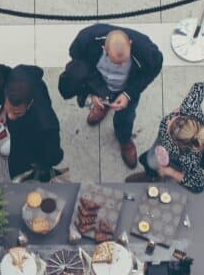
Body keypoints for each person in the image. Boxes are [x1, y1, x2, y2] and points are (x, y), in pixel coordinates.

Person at [58, 24, 164, 169]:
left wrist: (128, 94)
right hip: (100, 83)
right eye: (116, 62)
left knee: (126, 117)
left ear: (130, 44)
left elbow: (152, 71)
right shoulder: (86, 40)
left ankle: (124, 140)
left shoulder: (147, 52)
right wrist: (92, 92)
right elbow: (79, 66)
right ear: (104, 49)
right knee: (101, 102)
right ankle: (103, 108)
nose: (120, 66)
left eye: (124, 62)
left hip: (126, 89)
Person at [126, 82, 204, 193]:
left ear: (178, 144)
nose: (169, 121)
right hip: (161, 144)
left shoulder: (189, 158)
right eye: (176, 119)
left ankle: (154, 177)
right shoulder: (189, 107)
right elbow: (201, 86)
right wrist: (180, 109)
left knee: (153, 164)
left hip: (172, 160)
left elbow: (199, 184)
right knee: (150, 160)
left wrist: (170, 172)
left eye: (170, 129)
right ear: (186, 117)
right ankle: (151, 173)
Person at [3, 65, 65, 182]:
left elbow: (53, 156)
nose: (10, 116)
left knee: (19, 172)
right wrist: (3, 110)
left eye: (17, 113)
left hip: (33, 144)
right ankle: (14, 141)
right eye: (8, 109)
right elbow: (38, 71)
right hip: (20, 132)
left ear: (30, 103)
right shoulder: (17, 74)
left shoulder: (47, 125)